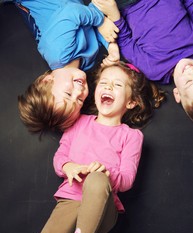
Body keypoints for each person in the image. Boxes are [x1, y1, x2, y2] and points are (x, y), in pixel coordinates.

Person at [33, 61, 165, 233]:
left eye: (118, 85)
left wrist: (105, 173)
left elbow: (127, 180)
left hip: (103, 209)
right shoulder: (78, 123)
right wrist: (68, 167)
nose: (108, 87)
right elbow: (60, 156)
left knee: (96, 180)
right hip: (70, 200)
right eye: (104, 83)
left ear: (131, 102)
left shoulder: (131, 136)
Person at [93, 0, 193, 125]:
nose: (191, 71)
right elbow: (190, 5)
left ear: (177, 94)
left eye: (189, 82)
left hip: (131, 5)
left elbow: (127, 42)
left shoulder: (155, 70)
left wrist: (114, 15)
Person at [12, 0, 121, 134]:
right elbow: (91, 25)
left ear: (46, 80)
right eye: (80, 100)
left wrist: (102, 22)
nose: (79, 91)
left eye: (68, 94)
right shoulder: (85, 65)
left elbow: (72, 12)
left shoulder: (57, 51)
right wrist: (111, 46)